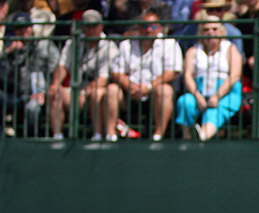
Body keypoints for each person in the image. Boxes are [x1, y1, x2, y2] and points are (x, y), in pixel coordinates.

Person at [106, 11, 182, 141]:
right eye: (144, 26)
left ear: (159, 27)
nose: (148, 30)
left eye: (153, 26)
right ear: (138, 27)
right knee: (112, 89)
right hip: (130, 93)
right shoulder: (126, 45)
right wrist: (128, 85)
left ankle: (158, 135)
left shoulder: (169, 43)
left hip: (155, 92)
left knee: (165, 90)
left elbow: (173, 71)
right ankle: (110, 134)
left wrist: (149, 87)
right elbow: (116, 71)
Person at [48, 9, 117, 140]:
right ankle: (57, 135)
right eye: (88, 26)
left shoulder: (109, 46)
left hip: (93, 92)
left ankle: (97, 134)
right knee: (54, 91)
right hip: (75, 91)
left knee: (98, 92)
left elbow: (103, 78)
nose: (91, 30)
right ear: (82, 27)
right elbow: (63, 66)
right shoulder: (72, 43)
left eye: (94, 26)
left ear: (101, 26)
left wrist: (84, 93)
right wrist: (55, 83)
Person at [174, 17, 241, 140]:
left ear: (221, 31)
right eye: (206, 29)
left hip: (225, 91)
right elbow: (188, 75)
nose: (210, 32)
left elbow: (235, 75)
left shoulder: (230, 48)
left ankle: (202, 136)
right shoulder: (193, 51)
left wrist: (217, 96)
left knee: (216, 109)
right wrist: (197, 96)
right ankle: (187, 136)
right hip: (198, 89)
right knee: (185, 102)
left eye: (215, 29)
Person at [0, 10, 58, 136]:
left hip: (37, 95)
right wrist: (8, 53)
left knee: (32, 108)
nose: (23, 31)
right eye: (19, 28)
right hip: (15, 96)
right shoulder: (10, 48)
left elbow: (55, 69)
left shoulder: (44, 45)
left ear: (31, 27)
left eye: (26, 27)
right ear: (15, 31)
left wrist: (44, 90)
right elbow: (3, 77)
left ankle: (31, 139)